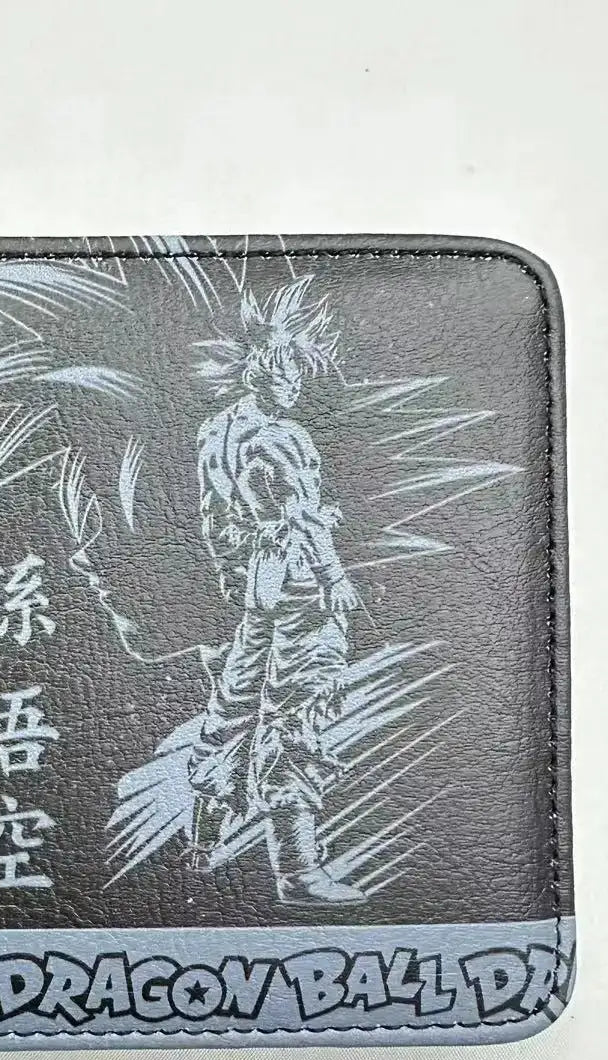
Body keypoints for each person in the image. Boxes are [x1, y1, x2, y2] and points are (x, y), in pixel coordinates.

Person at [188, 276, 364, 903]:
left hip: (258, 584)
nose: (298, 383)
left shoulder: (215, 433)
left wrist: (236, 573)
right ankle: (297, 870)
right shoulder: (282, 437)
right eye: (291, 369)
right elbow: (302, 517)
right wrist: (333, 576)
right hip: (300, 581)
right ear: (266, 368)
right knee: (298, 709)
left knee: (236, 702)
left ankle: (201, 841)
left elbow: (214, 519)